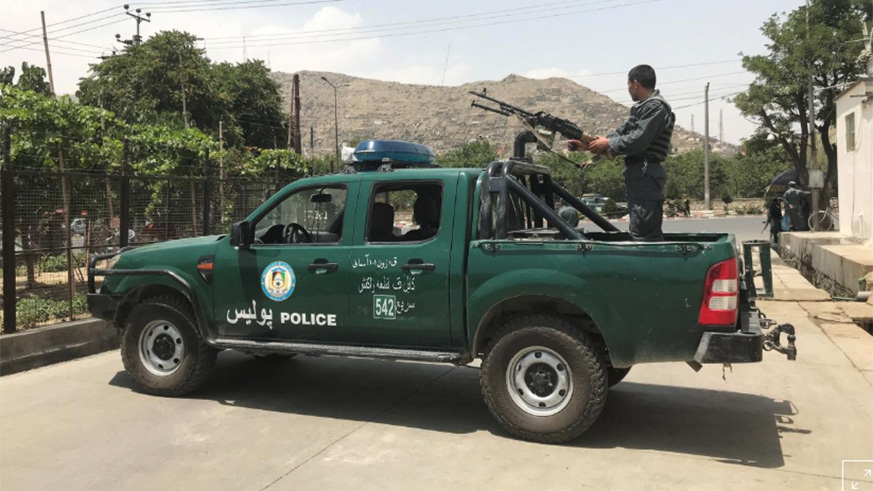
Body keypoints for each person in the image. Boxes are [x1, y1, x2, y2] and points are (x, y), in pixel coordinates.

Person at [568, 65, 675, 241]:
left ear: (635, 83)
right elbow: (623, 133)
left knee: (644, 233)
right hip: (641, 174)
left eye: (628, 84)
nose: (628, 88)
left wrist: (608, 143)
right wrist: (588, 145)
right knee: (640, 229)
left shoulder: (655, 107)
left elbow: (639, 139)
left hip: (645, 173)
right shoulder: (644, 107)